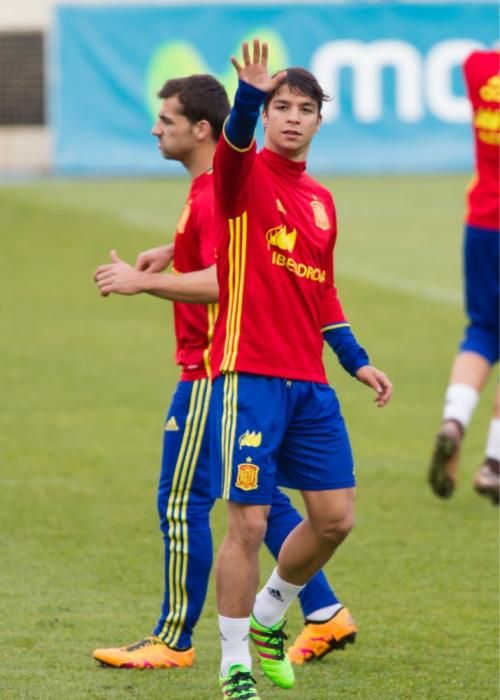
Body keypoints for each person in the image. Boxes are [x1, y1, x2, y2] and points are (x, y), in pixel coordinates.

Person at [92, 74, 358, 672]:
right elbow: (235, 252)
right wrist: (176, 247)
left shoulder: (224, 187)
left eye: (167, 119)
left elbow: (227, 277)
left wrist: (144, 280)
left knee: (186, 500)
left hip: (217, 369)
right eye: (280, 106)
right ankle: (321, 611)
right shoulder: (213, 193)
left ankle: (175, 638)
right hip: (239, 370)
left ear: (203, 129)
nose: (156, 128)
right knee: (254, 499)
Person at [209, 41, 393, 699]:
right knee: (249, 523)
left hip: (310, 387)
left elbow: (324, 292)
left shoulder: (321, 201)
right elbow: (231, 148)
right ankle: (234, 663)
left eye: (303, 108)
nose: (291, 117)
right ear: (266, 117)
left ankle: (268, 615)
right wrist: (248, 96)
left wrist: (357, 361)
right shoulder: (243, 176)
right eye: (281, 107)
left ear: (319, 120)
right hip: (252, 380)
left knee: (336, 519)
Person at [428, 50, 499, 505]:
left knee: (483, 330)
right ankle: (493, 461)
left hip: (484, 222)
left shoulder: (479, 67)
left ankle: (455, 419)